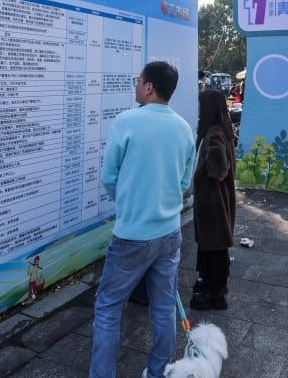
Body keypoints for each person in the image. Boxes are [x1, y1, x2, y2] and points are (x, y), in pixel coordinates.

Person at [89, 61, 195, 378]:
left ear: (149, 87)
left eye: (138, 81)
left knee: (108, 308)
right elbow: (183, 184)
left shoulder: (127, 122)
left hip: (133, 235)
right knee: (163, 308)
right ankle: (157, 371)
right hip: (170, 234)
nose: (136, 86)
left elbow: (109, 176)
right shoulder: (183, 128)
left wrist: (129, 202)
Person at [190, 89, 237, 311]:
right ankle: (210, 283)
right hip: (216, 201)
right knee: (213, 245)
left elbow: (219, 168)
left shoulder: (214, 133)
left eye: (200, 104)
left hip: (213, 202)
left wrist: (208, 173)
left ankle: (215, 295)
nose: (197, 107)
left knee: (215, 246)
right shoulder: (219, 129)